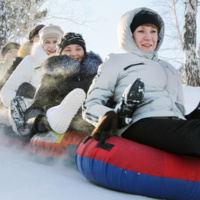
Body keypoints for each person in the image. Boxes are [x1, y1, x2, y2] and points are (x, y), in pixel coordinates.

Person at [82, 7, 200, 159]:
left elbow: (178, 110)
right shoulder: (116, 61)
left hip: (172, 125)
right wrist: (106, 115)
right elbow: (90, 104)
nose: (148, 37)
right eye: (141, 31)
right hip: (139, 122)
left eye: (153, 31)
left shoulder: (171, 69)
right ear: (129, 35)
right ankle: (123, 111)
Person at [10, 32, 102, 138]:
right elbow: (37, 105)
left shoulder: (95, 74)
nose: (74, 53)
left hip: (87, 117)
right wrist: (40, 121)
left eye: (78, 49)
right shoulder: (53, 74)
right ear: (60, 53)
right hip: (57, 116)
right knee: (43, 115)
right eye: (68, 50)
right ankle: (52, 116)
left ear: (84, 52)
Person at [0, 24, 64, 134]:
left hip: (57, 107)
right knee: (26, 88)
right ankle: (26, 123)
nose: (52, 46)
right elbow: (7, 90)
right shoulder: (30, 61)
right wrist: (21, 106)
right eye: (47, 42)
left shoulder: (70, 62)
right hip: (32, 106)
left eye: (56, 42)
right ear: (42, 44)